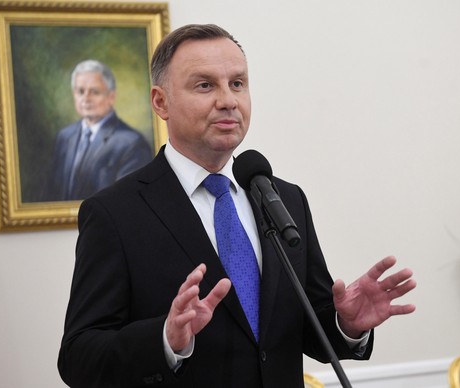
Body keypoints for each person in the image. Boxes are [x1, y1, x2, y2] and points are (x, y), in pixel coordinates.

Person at [58, 24, 417, 388]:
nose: (228, 100)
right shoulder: (115, 213)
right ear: (160, 102)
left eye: (238, 84)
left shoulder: (284, 198)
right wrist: (165, 339)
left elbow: (305, 329)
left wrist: (346, 324)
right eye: (205, 85)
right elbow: (78, 358)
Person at [44, 59, 152, 201]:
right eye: (80, 91)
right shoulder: (64, 137)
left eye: (94, 92)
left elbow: (129, 202)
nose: (86, 98)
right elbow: (53, 193)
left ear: (111, 97)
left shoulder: (131, 143)